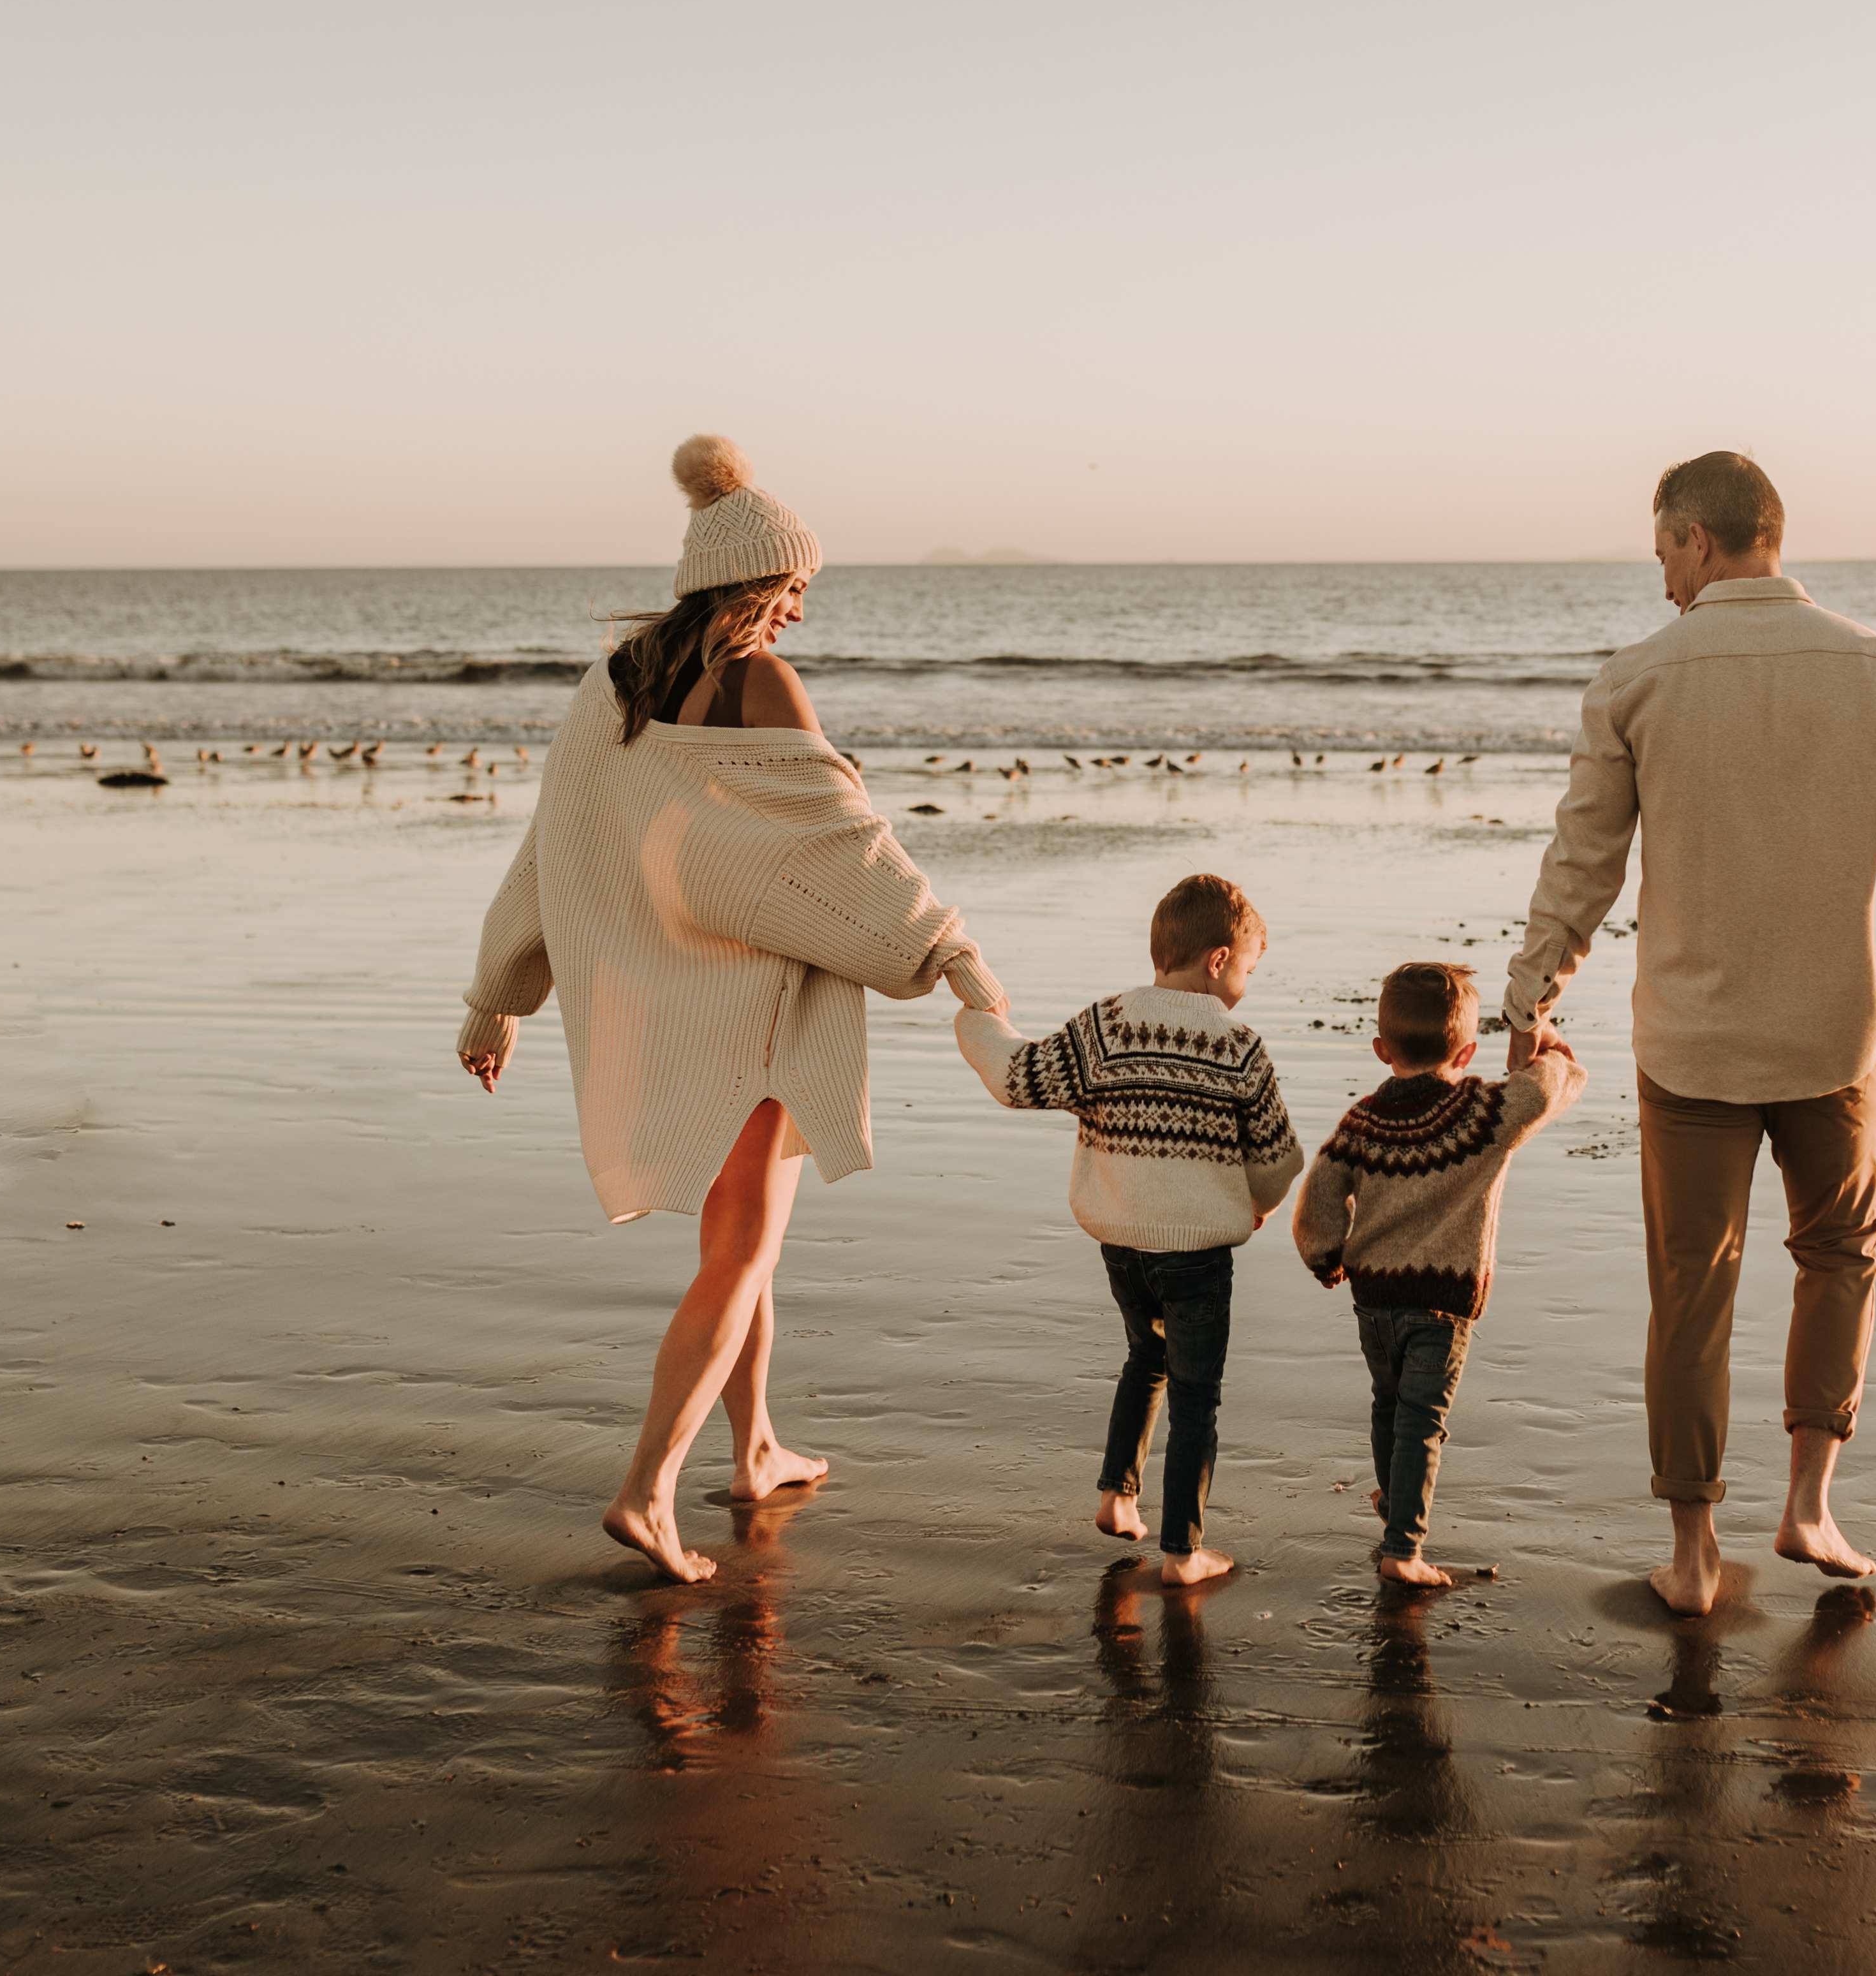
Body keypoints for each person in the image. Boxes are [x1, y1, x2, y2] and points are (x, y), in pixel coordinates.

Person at [456, 434, 1010, 1586]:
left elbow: (553, 842)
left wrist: (499, 993)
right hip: (747, 1009)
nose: (800, 610)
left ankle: (754, 1447)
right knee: (740, 1254)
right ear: (754, 584)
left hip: (665, 999)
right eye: (795, 587)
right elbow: (839, 843)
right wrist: (946, 948)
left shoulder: (617, 680)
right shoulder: (760, 680)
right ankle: (648, 1488)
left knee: (743, 1247)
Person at [1504, 450, 1876, 1616]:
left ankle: (1691, 1552)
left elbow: (1582, 860)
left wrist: (1531, 990)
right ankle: (1807, 1507)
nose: (1661, 582)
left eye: (1662, 555)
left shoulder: (1635, 680)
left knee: (1692, 1284)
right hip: (1835, 1037)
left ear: (1698, 538)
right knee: (1838, 1256)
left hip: (1689, 1040)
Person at [953, 874, 1303, 1586]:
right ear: (1216, 958)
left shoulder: (1108, 1023)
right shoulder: (1239, 1046)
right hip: (1199, 1253)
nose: (1246, 986)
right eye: (1247, 969)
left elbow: (1018, 1076)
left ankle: (1118, 1497)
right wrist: (1256, 1203)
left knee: (1147, 1356)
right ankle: (1182, 1552)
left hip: (1122, 1244)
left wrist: (978, 1020)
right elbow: (1277, 1158)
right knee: (1196, 1393)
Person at [1293, 961, 1586, 1589]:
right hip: (1443, 1304)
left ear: (1381, 1049)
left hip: (1373, 1297)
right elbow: (1543, 1091)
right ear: (1469, 1050)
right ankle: (1404, 1548)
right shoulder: (1481, 1114)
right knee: (1423, 1420)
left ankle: (1394, 1505)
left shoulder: (1362, 1121)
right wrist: (1555, 1050)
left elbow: (1320, 1191)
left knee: (1389, 1402)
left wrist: (1325, 1254)